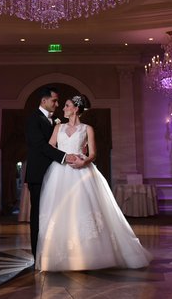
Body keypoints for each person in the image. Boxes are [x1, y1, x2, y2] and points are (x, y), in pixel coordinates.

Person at [36, 94, 152, 271]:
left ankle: (89, 255)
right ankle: (60, 255)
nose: (63, 108)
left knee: (85, 209)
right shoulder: (58, 127)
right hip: (60, 171)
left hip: (82, 171)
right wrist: (63, 156)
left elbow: (93, 154)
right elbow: (50, 146)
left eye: (67, 105)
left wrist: (84, 161)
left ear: (75, 108)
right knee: (60, 211)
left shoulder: (87, 129)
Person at [25, 86, 85, 261]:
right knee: (38, 215)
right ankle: (38, 255)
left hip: (55, 174)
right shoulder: (33, 119)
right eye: (54, 101)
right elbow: (41, 146)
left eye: (59, 101)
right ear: (43, 101)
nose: (57, 104)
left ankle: (54, 252)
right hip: (38, 174)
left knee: (54, 213)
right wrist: (66, 156)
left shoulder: (55, 122)